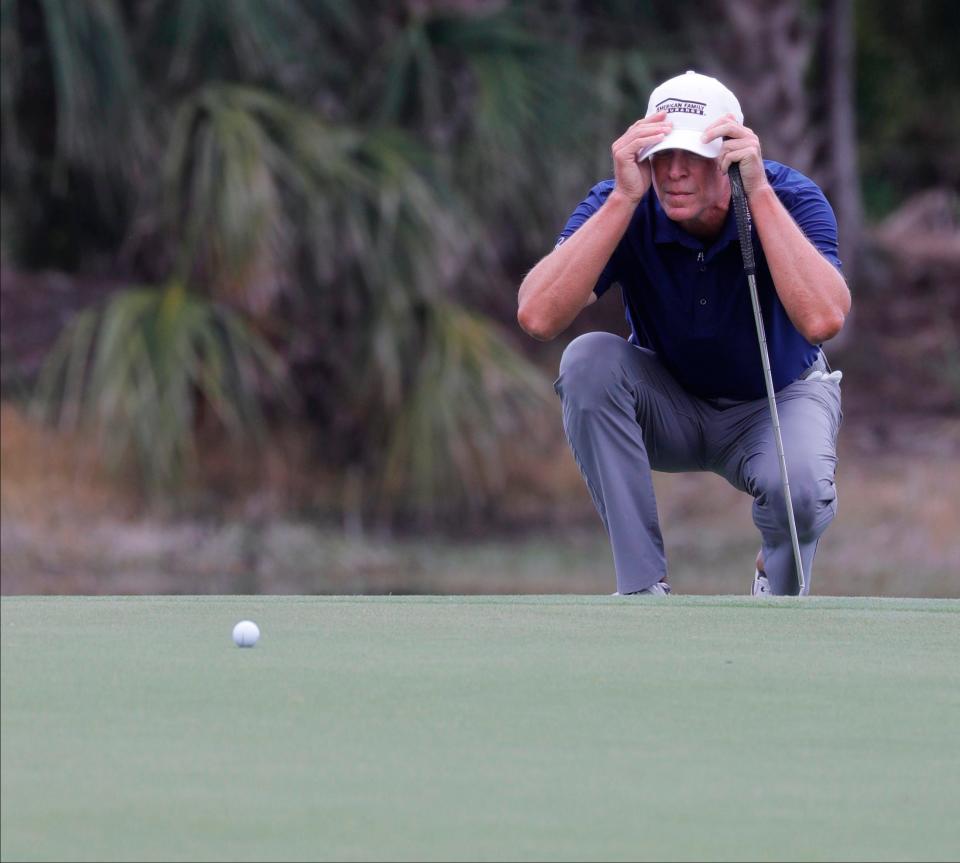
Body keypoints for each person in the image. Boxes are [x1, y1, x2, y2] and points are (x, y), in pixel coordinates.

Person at [517, 71, 850, 597]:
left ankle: (775, 578)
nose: (673, 171)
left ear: (729, 153)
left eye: (692, 155)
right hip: (668, 404)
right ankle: (642, 587)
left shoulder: (789, 196)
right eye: (660, 154)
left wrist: (757, 191)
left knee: (802, 492)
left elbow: (824, 320)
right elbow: (537, 316)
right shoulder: (621, 200)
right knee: (587, 361)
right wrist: (624, 202)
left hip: (776, 398)